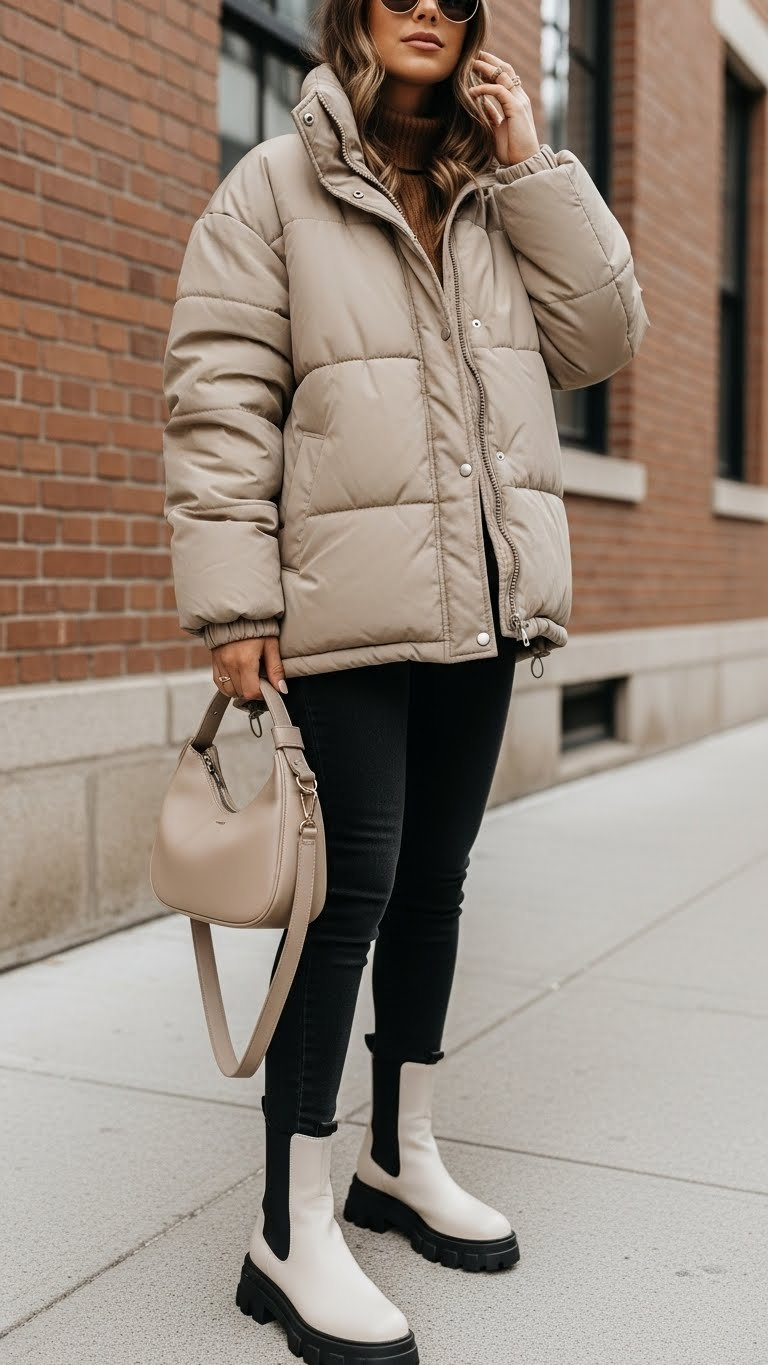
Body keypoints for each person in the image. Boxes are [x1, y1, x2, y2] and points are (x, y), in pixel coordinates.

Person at [161, 0, 649, 1355]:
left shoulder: (502, 196)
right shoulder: (274, 185)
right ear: (355, 12)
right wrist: (232, 603)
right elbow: (220, 391)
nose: (425, 3)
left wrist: (538, 158)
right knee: (346, 889)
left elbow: (605, 336)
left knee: (435, 876)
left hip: (483, 601)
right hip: (346, 604)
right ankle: (292, 1220)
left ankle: (399, 1152)